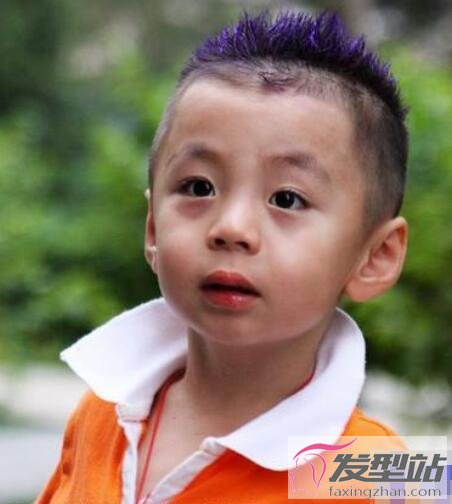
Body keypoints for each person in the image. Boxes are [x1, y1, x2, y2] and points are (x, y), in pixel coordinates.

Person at [35, 8, 409, 504]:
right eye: (199, 187)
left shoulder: (373, 470)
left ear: (375, 256)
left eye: (287, 199)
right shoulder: (105, 410)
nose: (231, 228)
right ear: (153, 227)